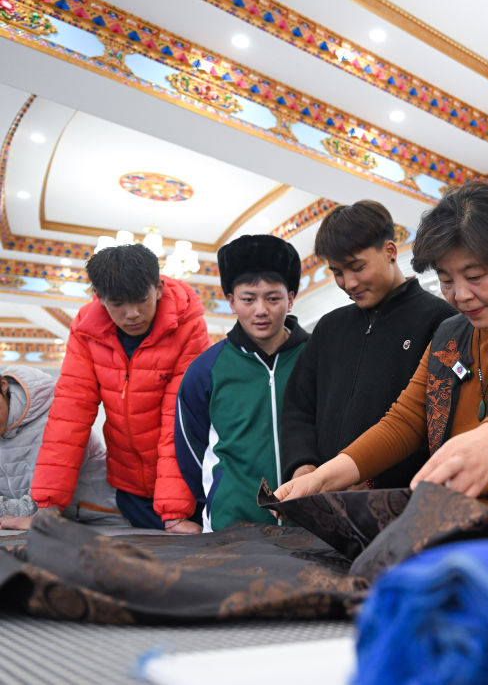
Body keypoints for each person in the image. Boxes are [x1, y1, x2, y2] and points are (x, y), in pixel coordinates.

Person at [276, 181, 488, 538]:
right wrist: (322, 477)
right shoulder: (449, 336)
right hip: (466, 536)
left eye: (475, 277)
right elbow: (403, 422)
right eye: (446, 280)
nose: (461, 295)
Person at [30, 243, 209, 532]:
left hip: (188, 488)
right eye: (118, 304)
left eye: (141, 300)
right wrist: (48, 505)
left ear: (158, 289)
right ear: (99, 297)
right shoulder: (86, 331)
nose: (132, 314)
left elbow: (176, 419)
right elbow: (69, 416)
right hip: (131, 490)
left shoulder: (188, 327)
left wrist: (174, 512)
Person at [280, 200, 455, 487]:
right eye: (337, 272)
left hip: (403, 500)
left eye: (357, 267)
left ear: (390, 252)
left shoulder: (441, 321)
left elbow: (438, 421)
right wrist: (303, 466)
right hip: (323, 498)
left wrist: (371, 476)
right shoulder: (329, 328)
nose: (348, 283)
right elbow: (297, 408)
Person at [175, 235, 308, 531]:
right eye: (248, 299)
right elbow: (190, 451)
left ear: (290, 298)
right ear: (232, 302)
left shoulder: (317, 356)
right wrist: (221, 496)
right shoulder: (206, 370)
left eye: (273, 298)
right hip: (230, 525)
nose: (261, 310)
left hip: (311, 522)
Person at [0, 365, 121, 529]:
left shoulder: (56, 417)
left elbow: (35, 508)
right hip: (62, 526)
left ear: (3, 385)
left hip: (108, 522)